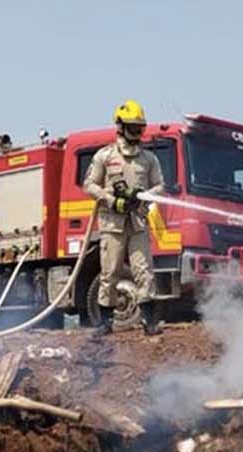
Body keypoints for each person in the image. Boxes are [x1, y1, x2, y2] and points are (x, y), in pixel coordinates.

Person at [83, 99, 165, 337]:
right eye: (133, 127)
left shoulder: (148, 159)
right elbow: (89, 185)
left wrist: (143, 196)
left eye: (140, 128)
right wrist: (112, 200)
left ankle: (149, 322)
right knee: (110, 272)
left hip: (138, 223)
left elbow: (160, 186)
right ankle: (104, 323)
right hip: (112, 224)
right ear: (120, 126)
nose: (137, 132)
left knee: (143, 270)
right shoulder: (105, 156)